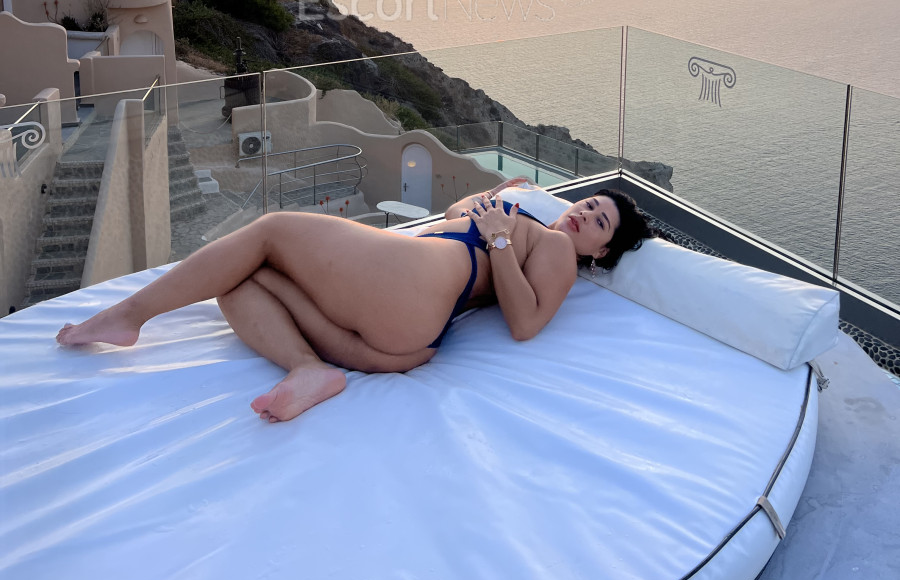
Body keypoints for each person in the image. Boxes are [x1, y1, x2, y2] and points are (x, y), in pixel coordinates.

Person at [56, 177, 651, 423]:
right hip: (402, 334)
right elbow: (454, 216)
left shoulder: (554, 247)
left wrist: (498, 237)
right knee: (237, 279)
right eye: (588, 204)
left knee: (271, 231)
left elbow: (524, 324)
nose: (584, 214)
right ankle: (306, 368)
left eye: (598, 221)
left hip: (414, 288)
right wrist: (494, 198)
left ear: (600, 251)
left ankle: (131, 314)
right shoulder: (528, 220)